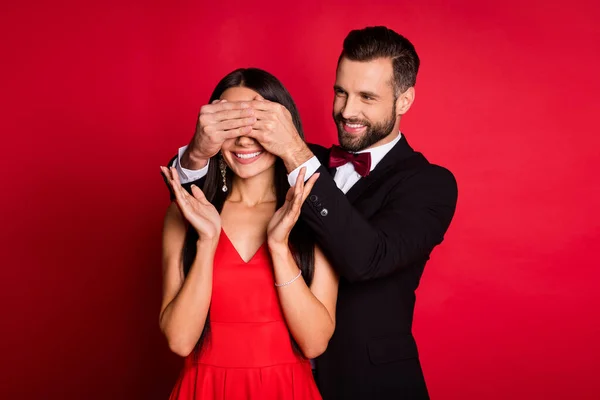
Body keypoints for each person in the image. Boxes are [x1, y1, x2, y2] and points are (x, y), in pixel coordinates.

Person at [168, 26, 458, 399]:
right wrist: (198, 152)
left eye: (367, 97)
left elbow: (367, 259)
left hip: (369, 385)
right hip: (278, 382)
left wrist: (296, 153)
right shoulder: (304, 162)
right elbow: (194, 195)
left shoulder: (429, 184)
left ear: (404, 100)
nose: (347, 111)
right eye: (341, 92)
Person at [159, 68, 339, 400]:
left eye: (257, 123)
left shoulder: (312, 212)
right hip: (204, 390)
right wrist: (207, 242)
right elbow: (180, 340)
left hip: (287, 390)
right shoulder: (186, 212)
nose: (244, 139)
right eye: (230, 125)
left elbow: (315, 341)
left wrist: (279, 247)